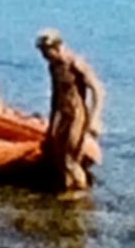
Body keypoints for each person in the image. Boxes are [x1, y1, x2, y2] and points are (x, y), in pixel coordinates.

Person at [35, 28, 105, 193]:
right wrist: (52, 121)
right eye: (42, 52)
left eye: (46, 52)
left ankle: (82, 194)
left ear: (56, 47)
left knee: (70, 160)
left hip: (77, 115)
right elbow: (56, 94)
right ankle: (68, 189)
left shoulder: (75, 64)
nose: (44, 56)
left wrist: (95, 118)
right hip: (62, 114)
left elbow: (98, 90)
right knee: (59, 158)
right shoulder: (54, 66)